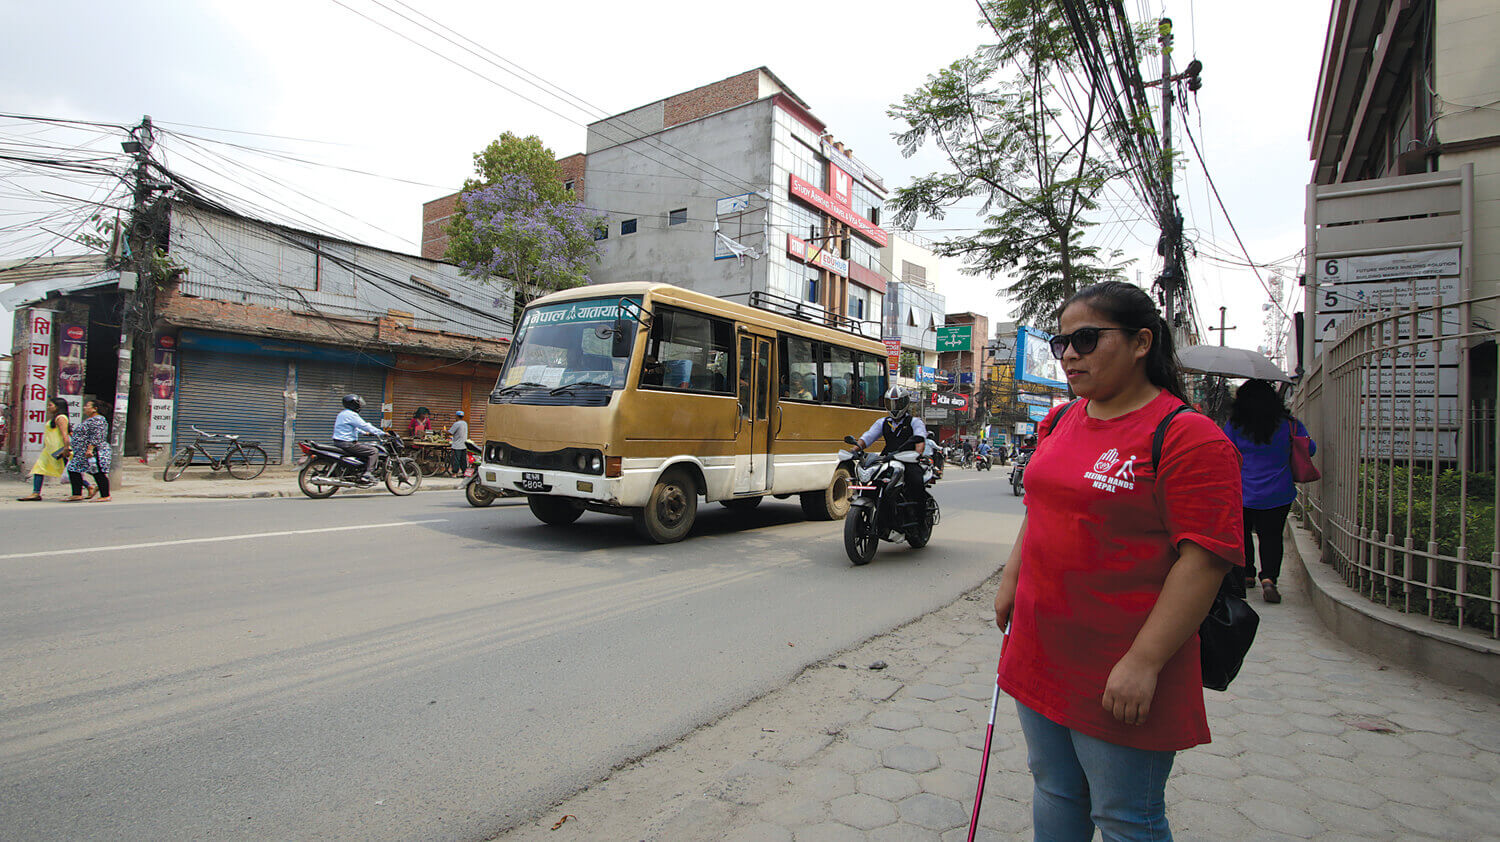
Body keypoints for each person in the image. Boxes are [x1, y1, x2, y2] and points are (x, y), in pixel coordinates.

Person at [993, 280, 1244, 840]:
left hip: (1122, 665)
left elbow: (1204, 562)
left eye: (1086, 339)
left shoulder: (1187, 438)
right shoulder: (1059, 421)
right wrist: (1012, 579)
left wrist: (1144, 662)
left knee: (1125, 815)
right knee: (1054, 789)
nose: (1069, 355)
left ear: (1140, 342)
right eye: (1061, 344)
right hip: (1040, 648)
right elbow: (1040, 508)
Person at [1223, 379, 1315, 604]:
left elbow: (1224, 450)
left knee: (1242, 534)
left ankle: (1246, 573)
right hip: (1278, 492)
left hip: (1243, 491)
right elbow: (1310, 448)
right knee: (1272, 536)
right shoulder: (1289, 424)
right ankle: (1269, 579)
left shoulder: (1235, 425)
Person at [850, 385, 929, 528]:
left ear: (905, 404)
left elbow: (919, 439)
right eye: (890, 403)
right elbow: (867, 437)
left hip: (907, 459)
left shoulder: (914, 422)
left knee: (916, 482)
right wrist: (854, 450)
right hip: (887, 459)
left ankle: (920, 519)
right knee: (873, 481)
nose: (894, 407)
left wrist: (917, 454)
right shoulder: (882, 422)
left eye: (897, 403)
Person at [17, 396, 83, 501]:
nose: (48, 407)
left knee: (69, 470)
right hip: (49, 449)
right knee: (39, 469)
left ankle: (88, 485)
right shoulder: (55, 418)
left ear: (58, 407)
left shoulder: (61, 418)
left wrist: (66, 448)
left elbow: (65, 435)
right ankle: (36, 493)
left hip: (58, 450)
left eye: (50, 405)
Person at [65, 399, 112, 502]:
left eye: (87, 406)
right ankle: (77, 494)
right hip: (81, 452)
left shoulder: (98, 420)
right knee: (73, 469)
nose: (84, 407)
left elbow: (97, 435)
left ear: (95, 409)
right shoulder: (90, 420)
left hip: (94, 452)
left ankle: (105, 495)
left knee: (98, 472)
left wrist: (90, 449)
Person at [333, 393, 383, 484]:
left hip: (339, 442)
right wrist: (382, 432)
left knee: (363, 449)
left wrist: (365, 433)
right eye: (359, 403)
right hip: (347, 443)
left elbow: (354, 427)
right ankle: (368, 474)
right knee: (374, 451)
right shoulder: (352, 415)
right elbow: (364, 425)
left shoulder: (342, 414)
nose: (360, 405)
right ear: (354, 404)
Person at [448, 410, 469, 477]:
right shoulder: (465, 423)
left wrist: (444, 431)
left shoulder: (456, 424)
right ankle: (464, 472)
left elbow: (450, 432)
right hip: (464, 445)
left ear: (456, 416)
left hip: (457, 445)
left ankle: (454, 473)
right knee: (463, 460)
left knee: (455, 460)